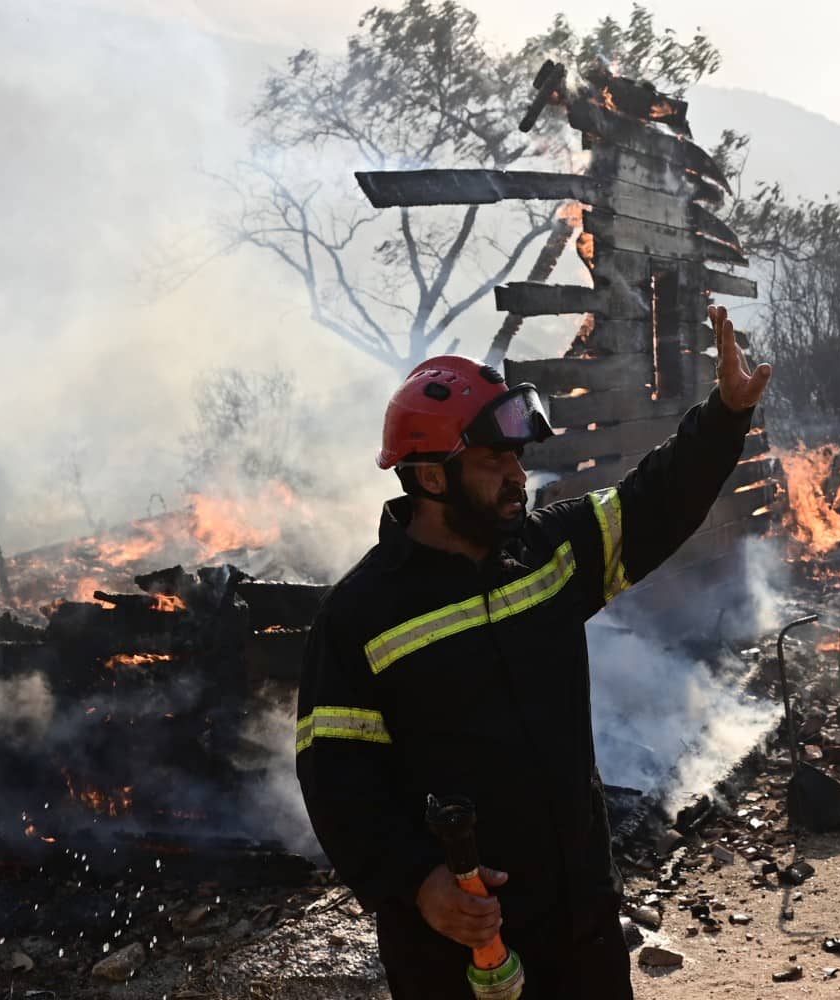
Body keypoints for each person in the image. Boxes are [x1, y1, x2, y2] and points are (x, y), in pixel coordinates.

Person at [295, 305, 771, 998]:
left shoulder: (544, 553)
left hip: (582, 923)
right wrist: (418, 884)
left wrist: (724, 415)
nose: (518, 476)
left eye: (517, 457)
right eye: (494, 461)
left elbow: (656, 500)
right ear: (430, 478)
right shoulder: (360, 617)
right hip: (458, 950)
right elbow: (336, 781)